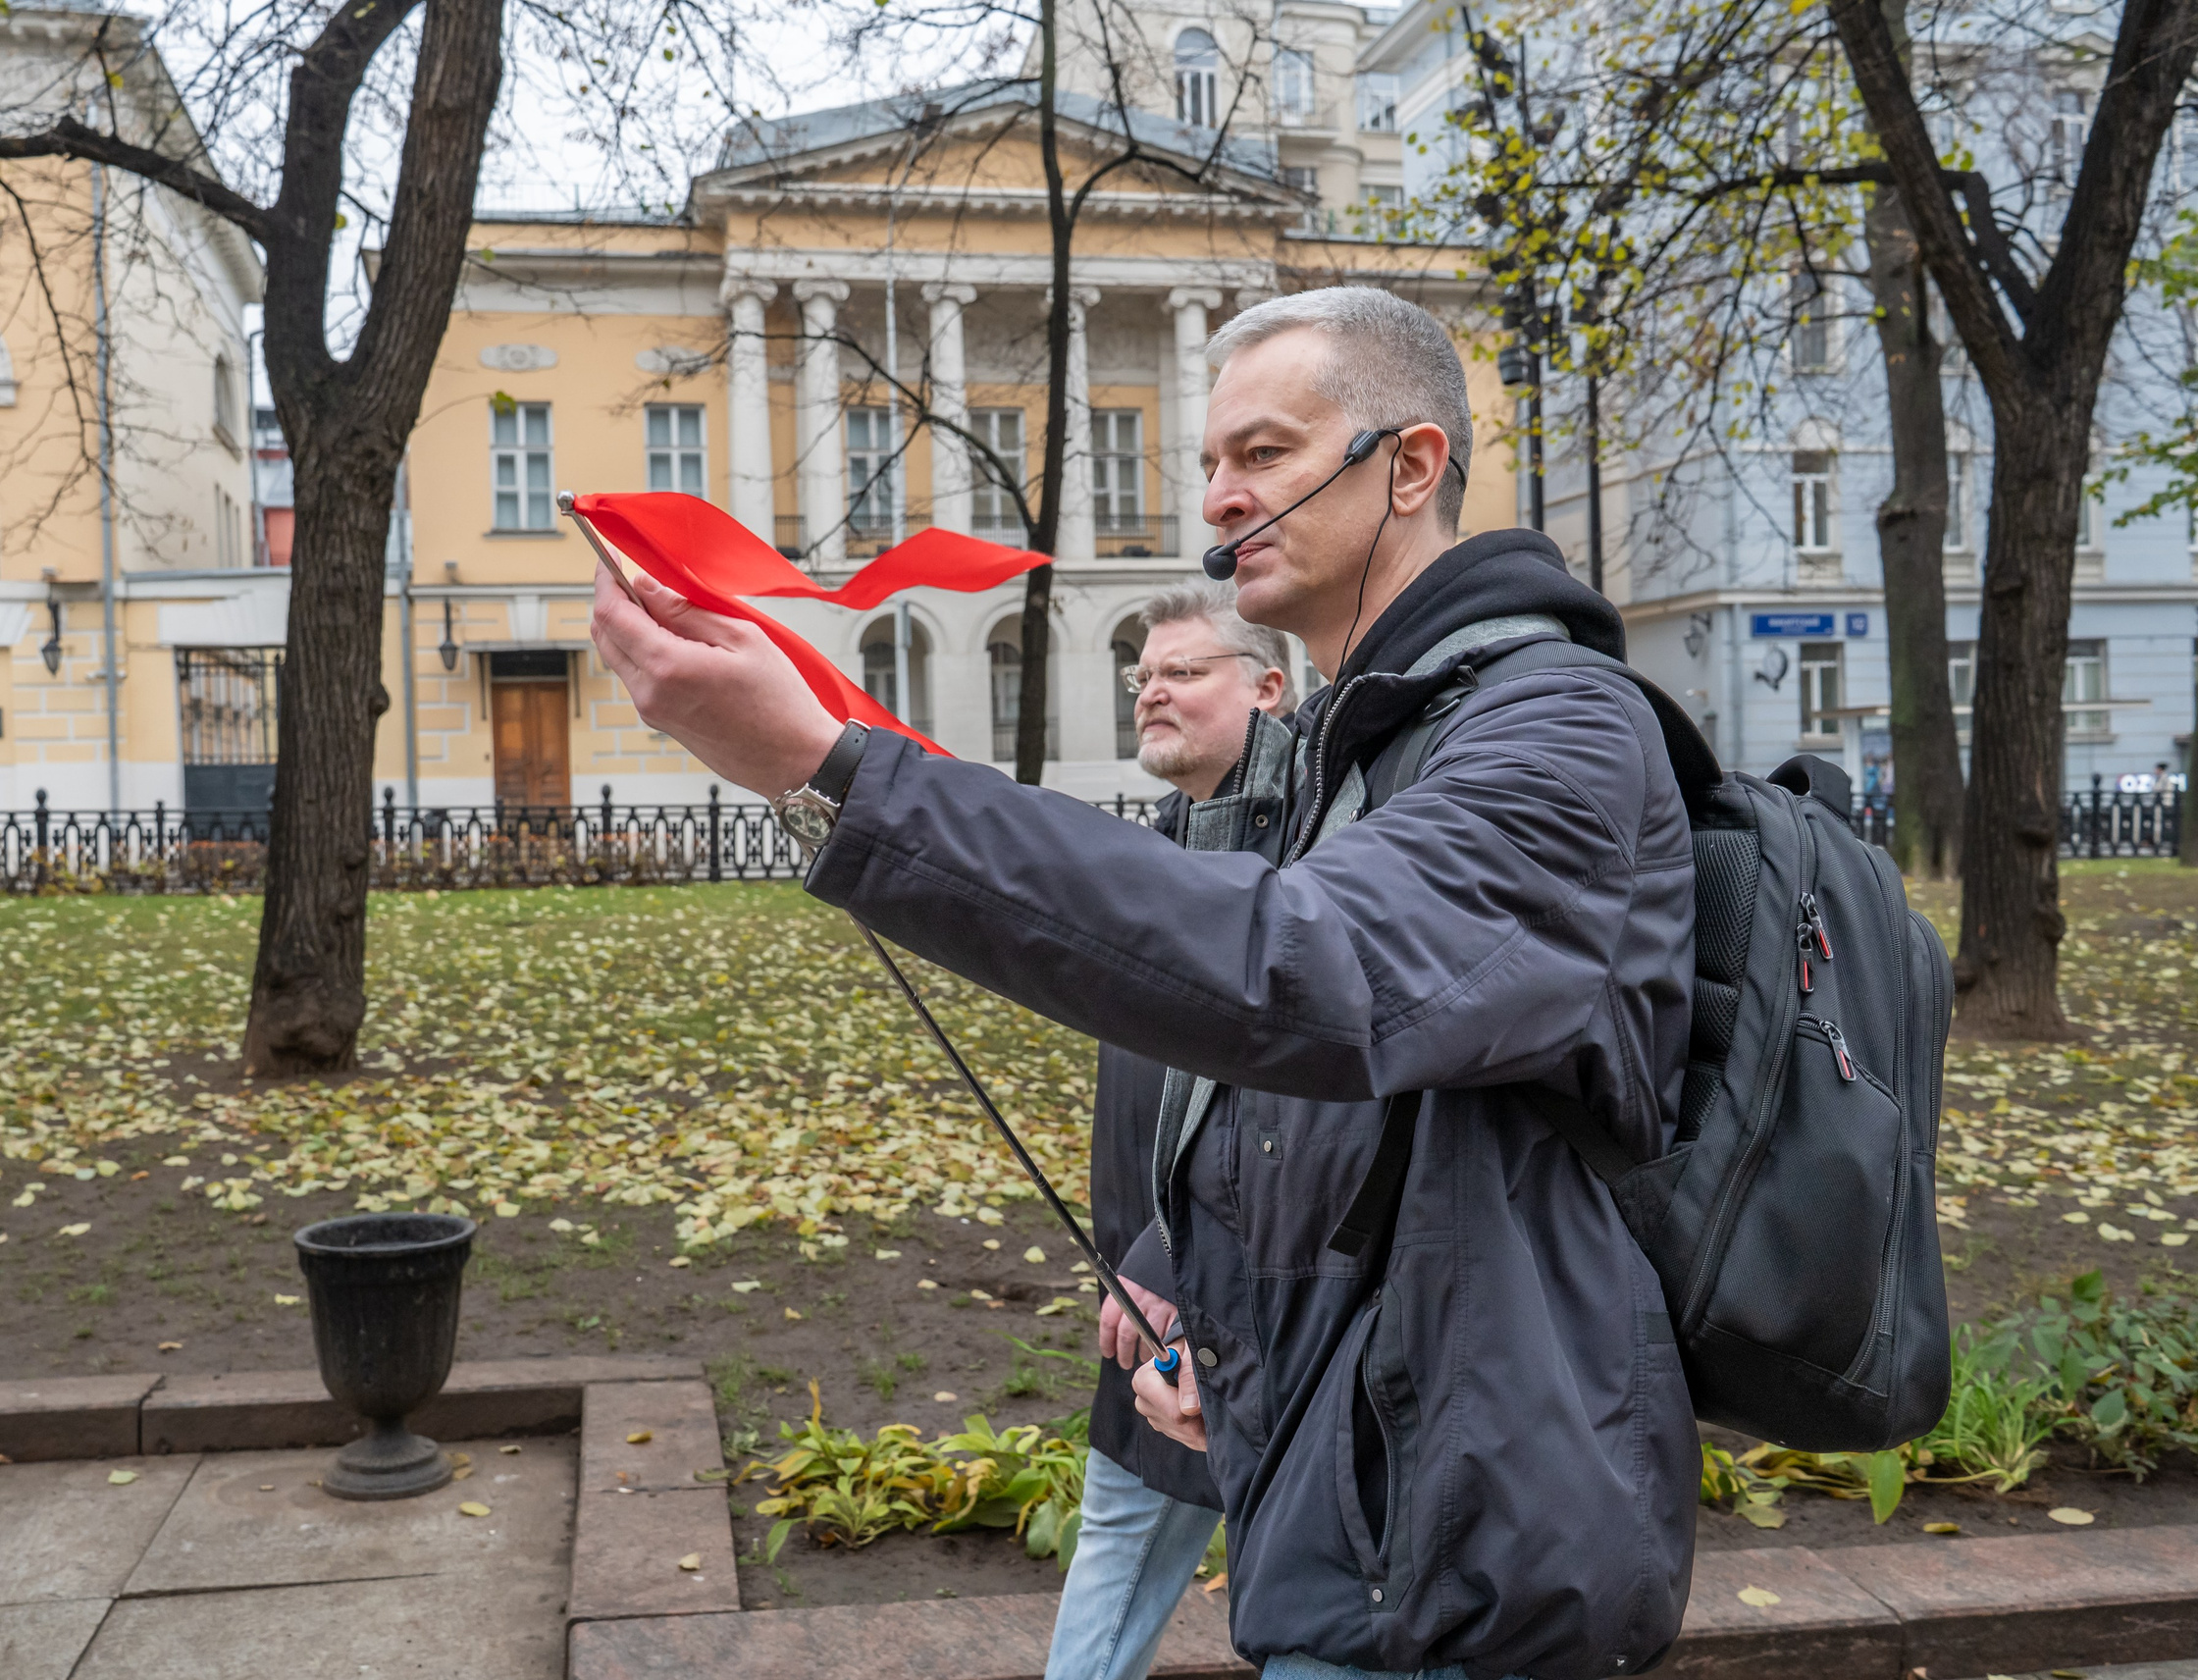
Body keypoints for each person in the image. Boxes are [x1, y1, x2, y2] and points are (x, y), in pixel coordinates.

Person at [591, 285, 1698, 1680]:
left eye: (1267, 455)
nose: (1224, 498)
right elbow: (1306, 1113)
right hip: (1350, 1523)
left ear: (1411, 468)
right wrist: (1186, 1292)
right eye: (1210, 465)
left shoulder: (1556, 727)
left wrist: (837, 773)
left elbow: (1302, 973)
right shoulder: (1348, 756)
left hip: (1481, 1558)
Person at [1050, 582, 1289, 1680]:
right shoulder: (1171, 840)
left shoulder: (1298, 862)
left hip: (1226, 1292)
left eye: (1184, 672)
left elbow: (1289, 1089)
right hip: (1146, 1293)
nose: (1151, 691)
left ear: (1269, 689)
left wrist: (1160, 1262)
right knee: (1126, 1541)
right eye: (1142, 675)